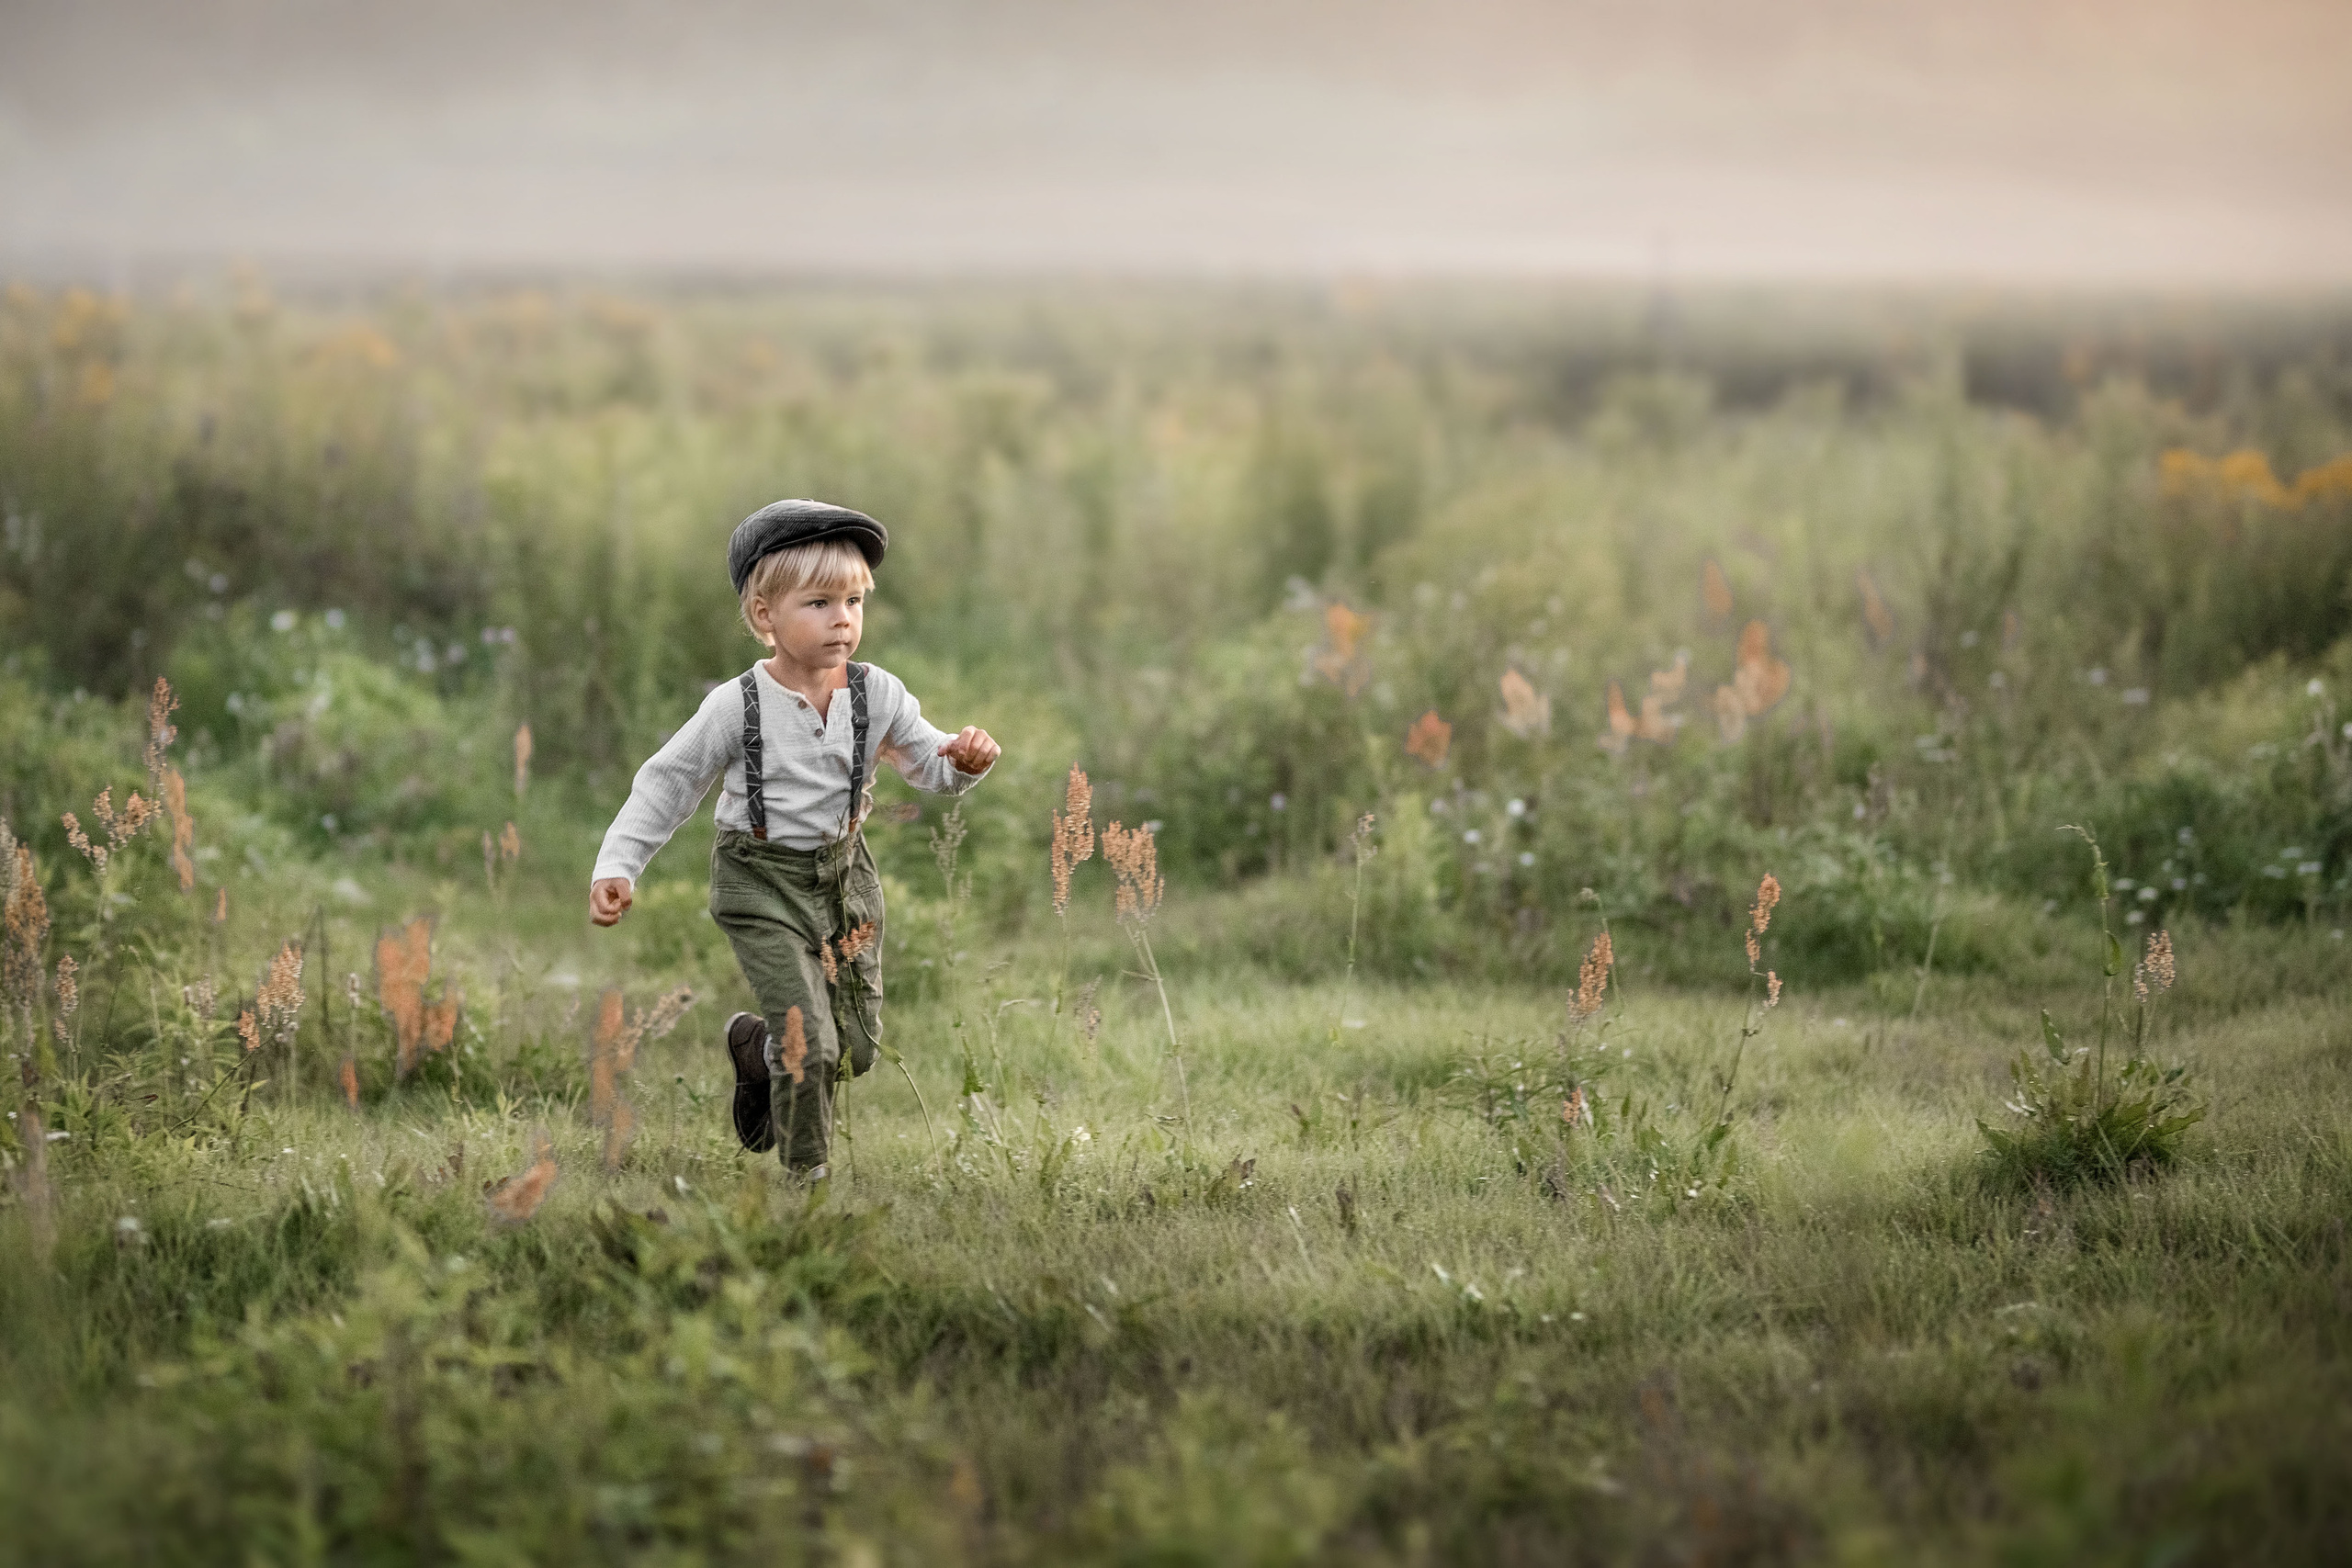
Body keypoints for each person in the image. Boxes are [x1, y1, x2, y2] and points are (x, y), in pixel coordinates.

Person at [588, 499, 1001, 1177]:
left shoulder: (879, 695)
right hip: (759, 883)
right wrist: (618, 865)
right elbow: (669, 782)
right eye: (819, 602)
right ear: (764, 615)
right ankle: (806, 1180)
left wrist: (964, 760)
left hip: (845, 880)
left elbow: (931, 765)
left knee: (857, 1046)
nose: (842, 618)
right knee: (811, 1038)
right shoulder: (735, 706)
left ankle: (757, 1052)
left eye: (854, 600)